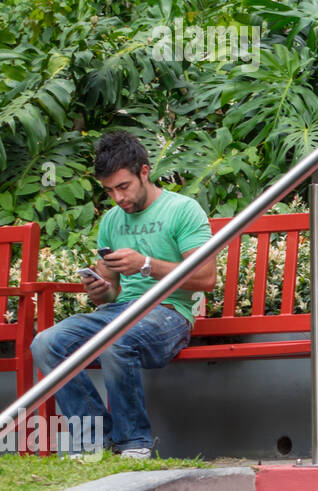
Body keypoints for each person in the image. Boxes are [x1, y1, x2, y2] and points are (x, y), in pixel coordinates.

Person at [29, 133, 216, 458]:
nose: (117, 197)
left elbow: (206, 277)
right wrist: (100, 288)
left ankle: (133, 444)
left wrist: (145, 264)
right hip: (120, 312)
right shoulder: (112, 221)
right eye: (109, 190)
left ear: (144, 171)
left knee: (117, 338)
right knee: (46, 343)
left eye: (123, 186)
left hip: (169, 314)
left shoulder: (183, 210)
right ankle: (94, 441)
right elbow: (112, 292)